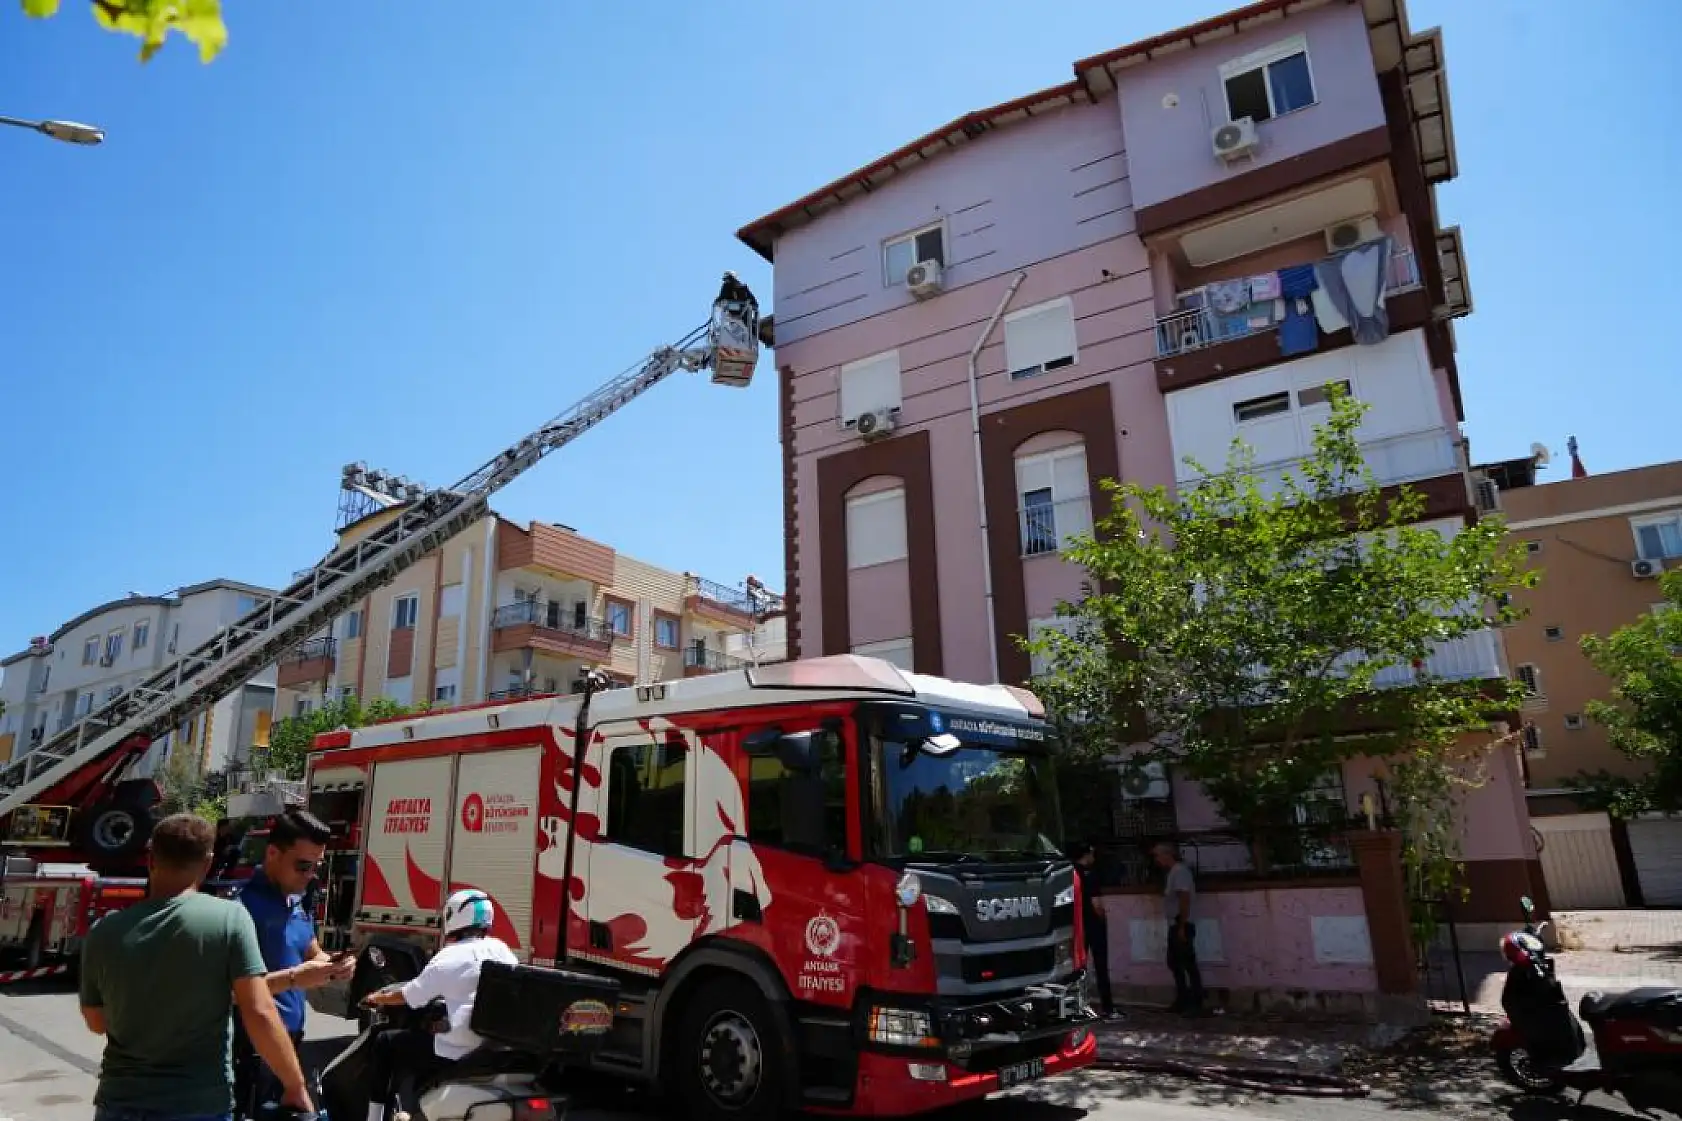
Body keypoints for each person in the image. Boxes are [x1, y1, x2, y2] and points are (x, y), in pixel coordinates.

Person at [79, 812, 312, 1121]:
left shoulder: (103, 932)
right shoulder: (229, 919)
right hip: (198, 1104)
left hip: (119, 1103)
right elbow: (259, 1011)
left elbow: (97, 1022)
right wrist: (295, 1086)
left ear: (151, 859)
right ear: (207, 862)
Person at [234, 810, 355, 1116]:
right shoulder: (240, 908)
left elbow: (312, 952)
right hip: (251, 1047)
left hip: (290, 1042)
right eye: (303, 865)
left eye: (317, 866)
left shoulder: (295, 901)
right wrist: (294, 979)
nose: (311, 874)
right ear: (273, 853)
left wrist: (333, 966)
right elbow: (230, 992)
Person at [359, 889, 518, 1121]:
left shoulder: (448, 957)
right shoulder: (502, 950)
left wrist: (377, 998)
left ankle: (373, 1117)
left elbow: (410, 996)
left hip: (457, 1051)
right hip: (491, 1049)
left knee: (386, 1043)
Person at [1066, 842, 1122, 1021]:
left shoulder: (1069, 874)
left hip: (1076, 926)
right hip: (1093, 925)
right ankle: (1108, 1008)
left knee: (1077, 968)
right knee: (1101, 966)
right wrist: (1103, 919)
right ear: (1087, 854)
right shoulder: (1091, 875)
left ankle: (1076, 1006)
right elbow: (1096, 904)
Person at [1154, 841, 1204, 1014]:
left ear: (1167, 854)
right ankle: (1183, 998)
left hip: (1181, 923)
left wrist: (1182, 924)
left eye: (1158, 855)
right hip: (1175, 923)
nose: (1157, 859)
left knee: (1187, 962)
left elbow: (1184, 898)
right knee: (1175, 962)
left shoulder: (1180, 872)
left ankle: (1196, 1001)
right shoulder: (1172, 873)